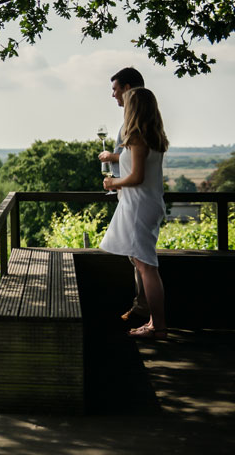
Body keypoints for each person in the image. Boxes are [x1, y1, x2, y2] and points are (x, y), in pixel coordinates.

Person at [99, 87, 169, 339]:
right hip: (144, 204)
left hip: (139, 205)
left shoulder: (138, 136)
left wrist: (112, 183)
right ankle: (153, 323)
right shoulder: (152, 136)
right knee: (143, 264)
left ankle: (157, 326)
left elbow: (137, 176)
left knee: (147, 266)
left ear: (134, 108)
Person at [99, 67, 149, 322]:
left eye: (115, 89)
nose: (113, 95)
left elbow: (140, 162)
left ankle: (147, 315)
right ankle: (142, 309)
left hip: (137, 198)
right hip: (130, 196)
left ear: (127, 89)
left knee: (142, 261)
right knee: (136, 257)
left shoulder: (138, 124)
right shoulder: (136, 121)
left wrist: (112, 162)